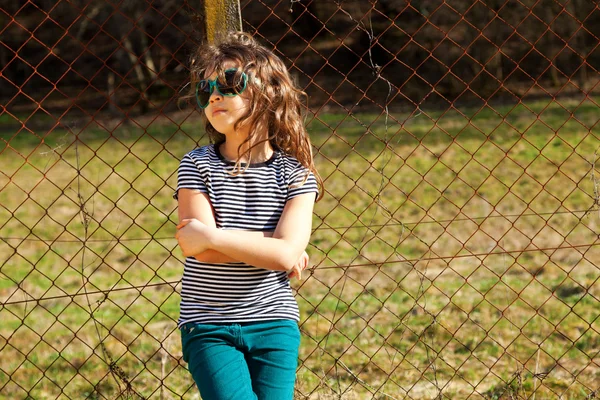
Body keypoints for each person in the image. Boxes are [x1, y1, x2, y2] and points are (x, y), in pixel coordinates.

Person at [173, 32, 323, 400]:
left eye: (229, 83)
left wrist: (213, 235)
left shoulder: (296, 174)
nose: (214, 96)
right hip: (208, 325)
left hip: (275, 323)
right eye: (205, 90)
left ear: (269, 92)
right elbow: (199, 250)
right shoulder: (197, 165)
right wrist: (270, 248)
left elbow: (282, 255)